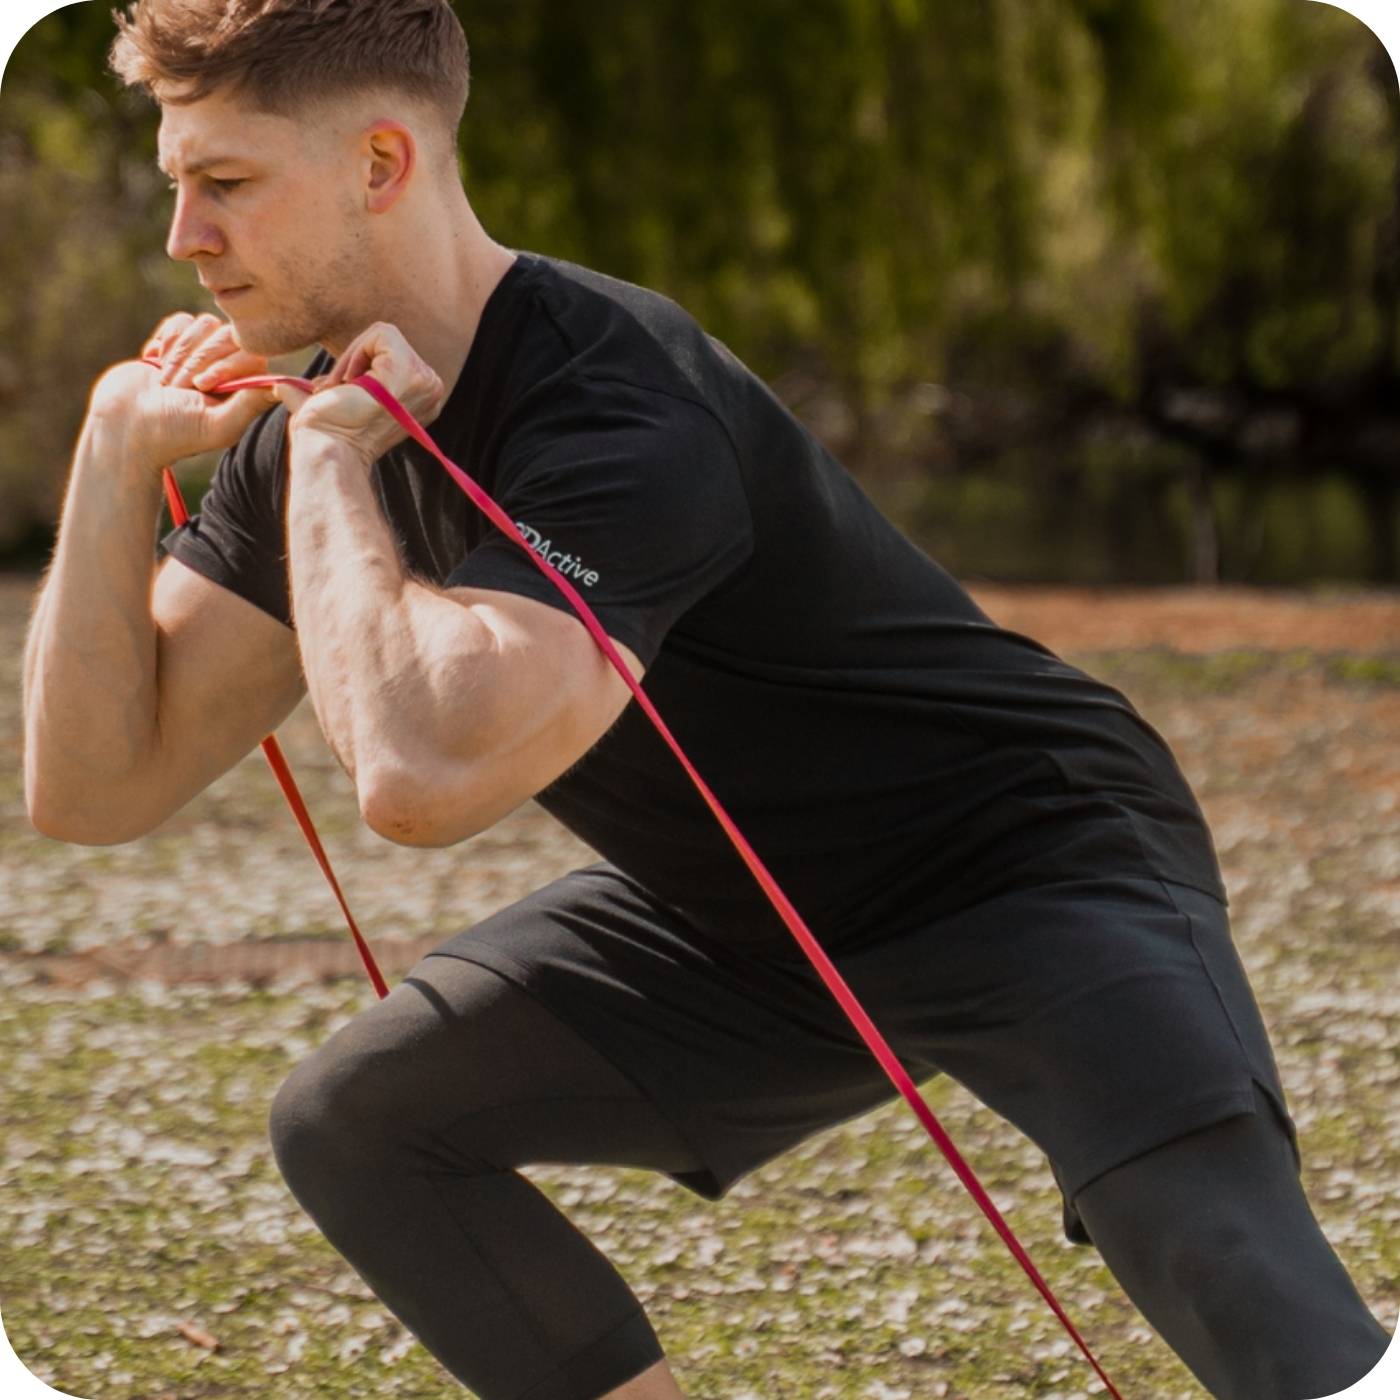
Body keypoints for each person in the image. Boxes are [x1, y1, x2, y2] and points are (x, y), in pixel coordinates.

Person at [21, 2, 1390, 1397]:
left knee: (1249, 1301)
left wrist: (326, 463)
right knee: (361, 1122)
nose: (186, 237)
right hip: (748, 916)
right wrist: (111, 457)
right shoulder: (319, 428)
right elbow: (92, 788)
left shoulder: (614, 399)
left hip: (1024, 862)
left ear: (381, 165)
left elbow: (423, 778)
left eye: (227, 184)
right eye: (175, 185)